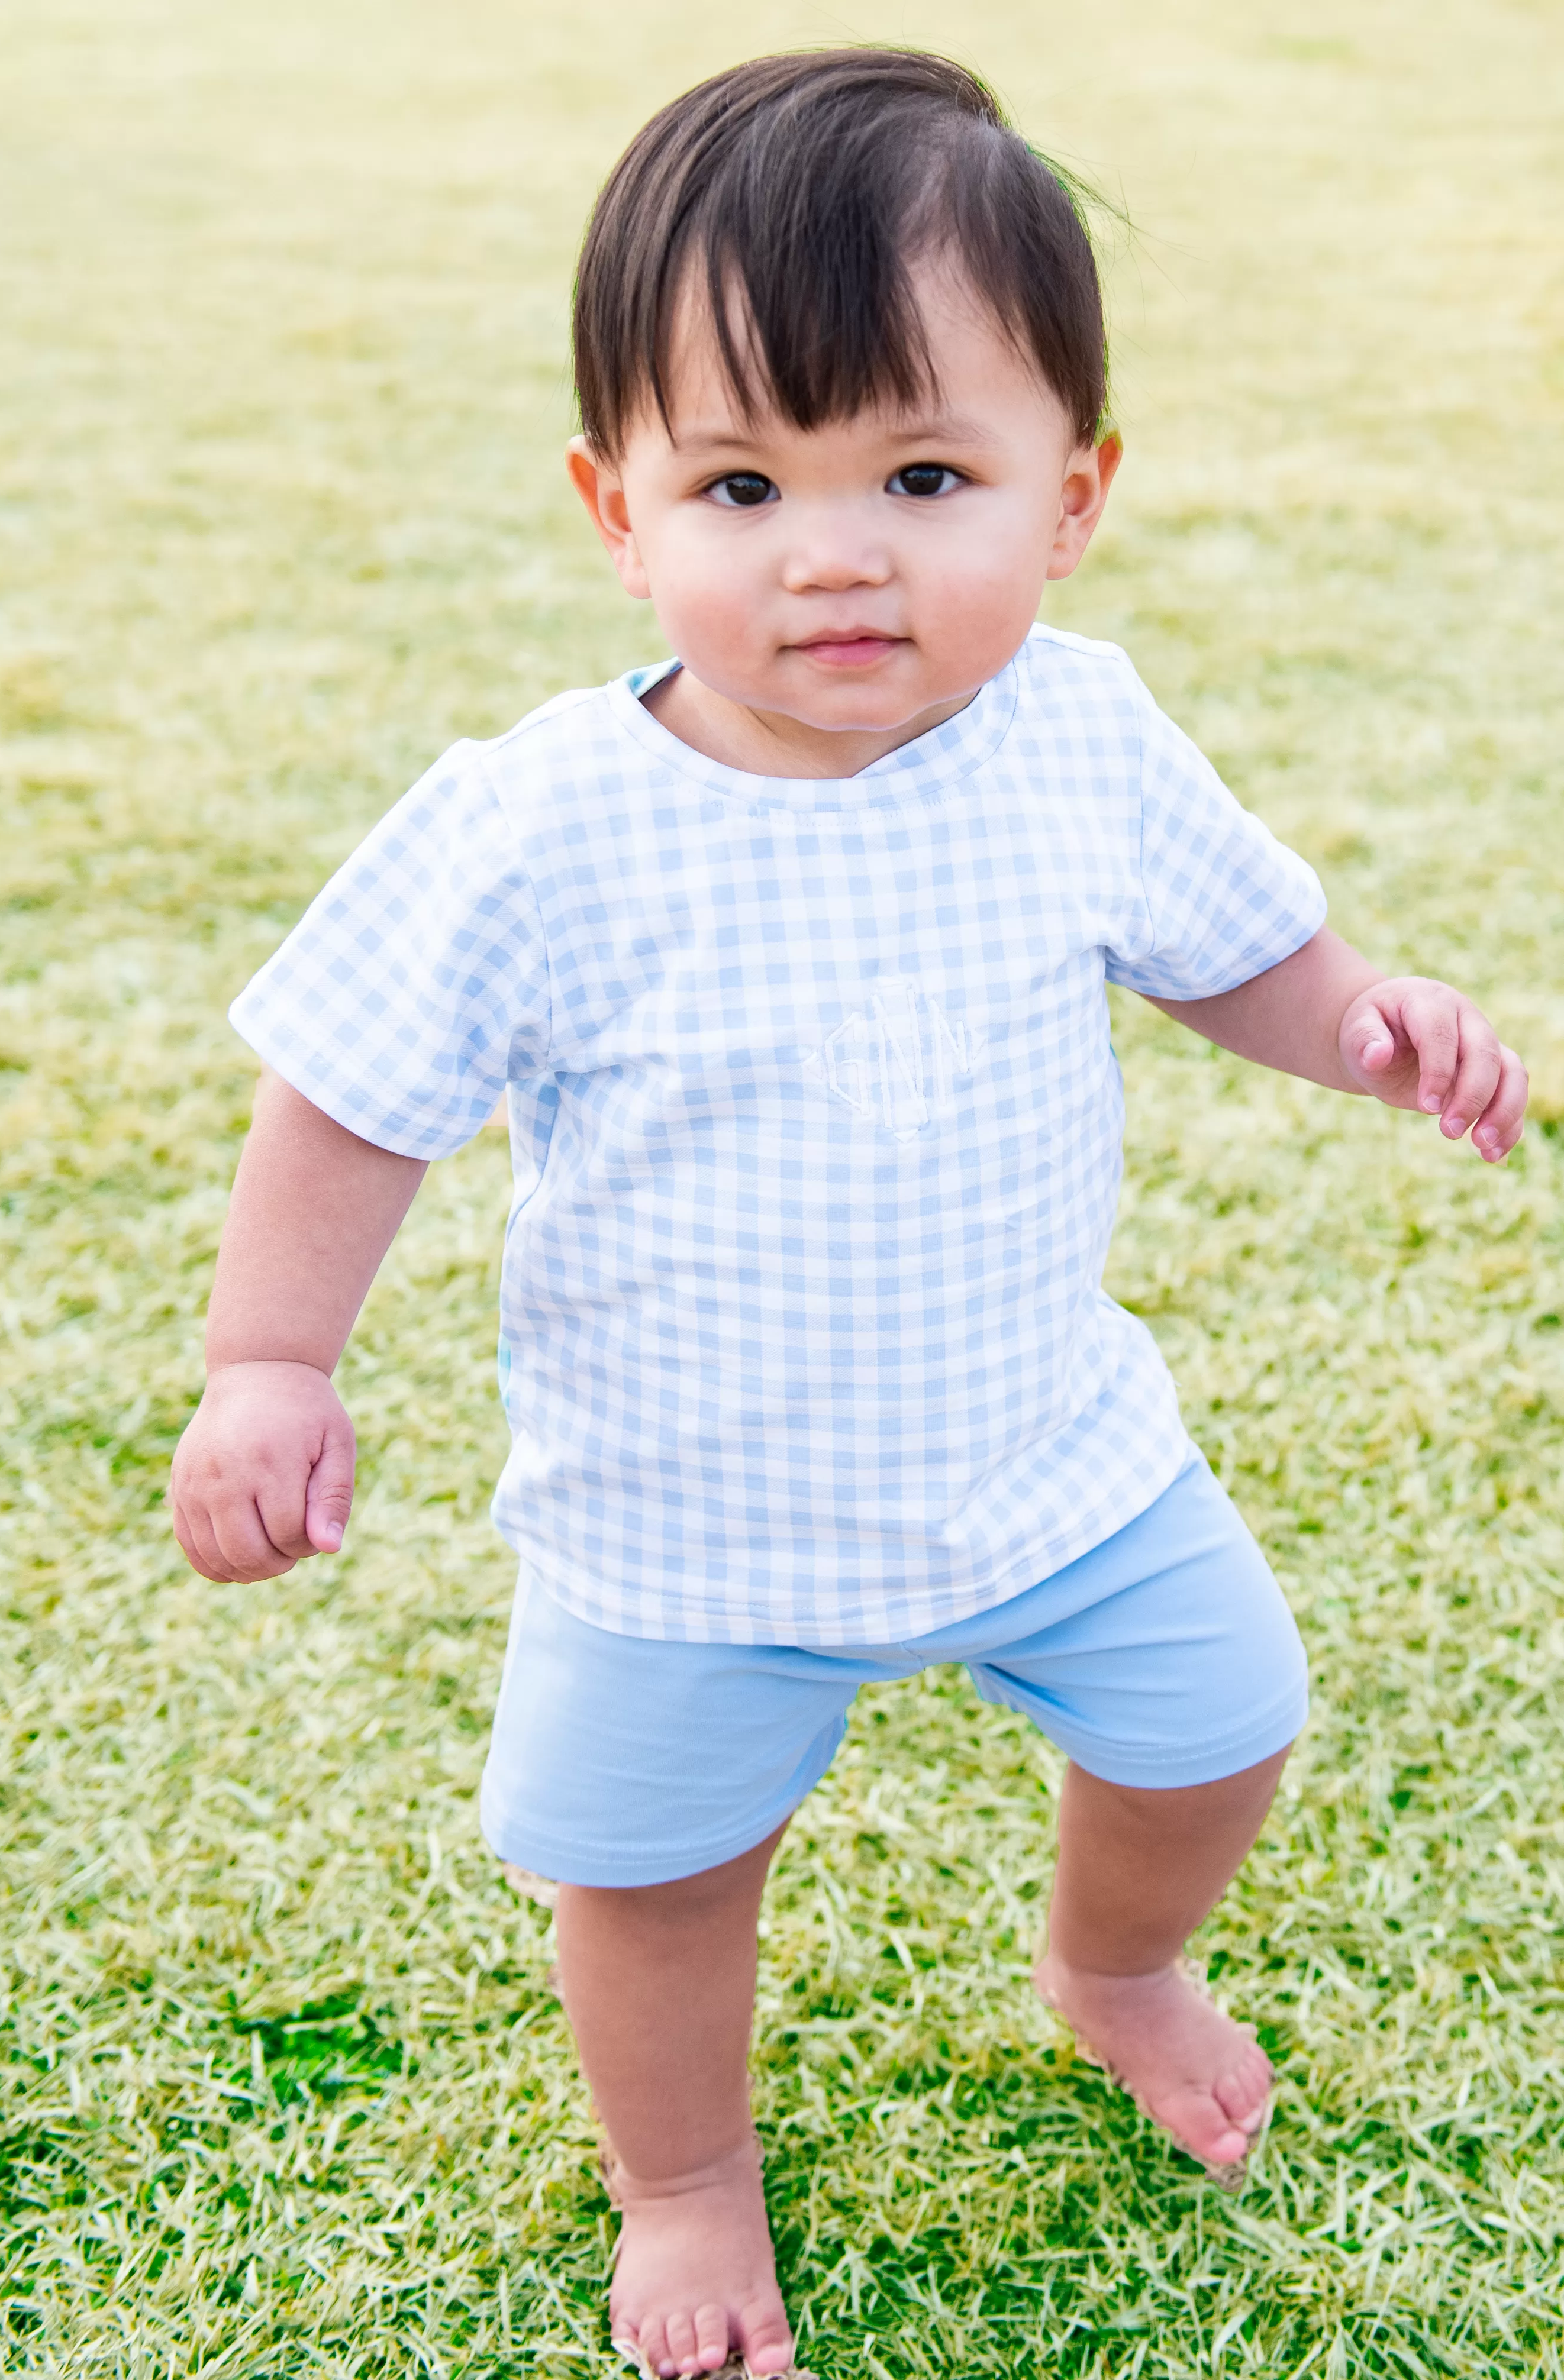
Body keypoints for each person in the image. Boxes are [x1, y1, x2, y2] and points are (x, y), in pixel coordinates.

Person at [170, 49, 1528, 2380]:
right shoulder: (538, 823)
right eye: (737, 480)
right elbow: (346, 1096)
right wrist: (265, 1361)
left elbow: (1235, 957)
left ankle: (1107, 1964)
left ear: (1067, 495)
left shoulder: (1076, 736)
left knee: (1219, 1723)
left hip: (1043, 1459)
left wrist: (1361, 1019)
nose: (830, 552)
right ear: (615, 511)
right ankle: (684, 2181)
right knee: (656, 1879)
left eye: (920, 474)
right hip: (686, 1530)